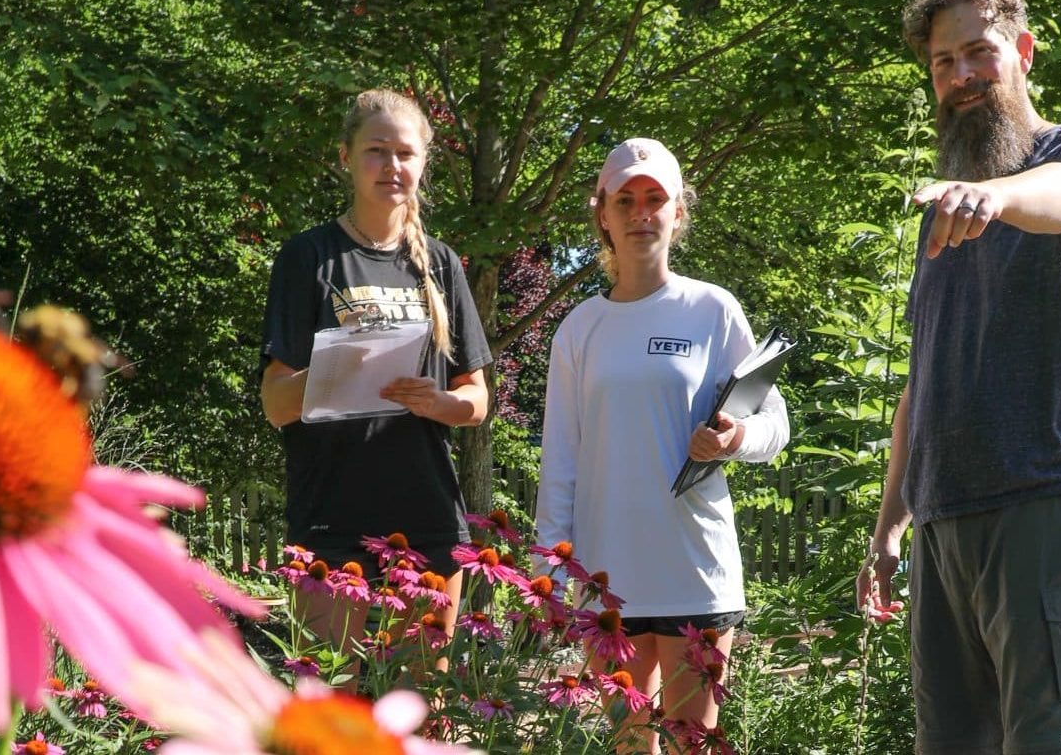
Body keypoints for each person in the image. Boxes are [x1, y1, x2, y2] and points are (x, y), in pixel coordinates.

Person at [857, 0, 1061, 754]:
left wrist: (998, 198)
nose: (961, 76)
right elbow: (925, 375)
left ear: (1022, 51)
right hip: (943, 517)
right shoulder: (946, 204)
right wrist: (888, 525)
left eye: (978, 51)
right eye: (943, 63)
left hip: (1042, 497)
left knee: (1053, 742)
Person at [536, 138, 789, 753]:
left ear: (679, 212)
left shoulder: (713, 309)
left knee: (692, 743)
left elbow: (774, 425)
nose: (641, 212)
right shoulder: (579, 328)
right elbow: (560, 462)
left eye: (656, 199)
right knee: (628, 744)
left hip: (692, 571)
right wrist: (550, 573)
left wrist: (735, 437)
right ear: (603, 213)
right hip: (606, 576)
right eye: (626, 200)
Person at [260, 89, 492, 657]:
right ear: (346, 157)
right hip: (330, 517)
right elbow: (274, 404)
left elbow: (477, 398)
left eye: (405, 153)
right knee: (328, 708)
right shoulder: (307, 257)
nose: (392, 166)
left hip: (428, 513)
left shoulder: (439, 262)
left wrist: (438, 402)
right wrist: (342, 369)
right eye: (376, 150)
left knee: (423, 713)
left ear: (423, 163)